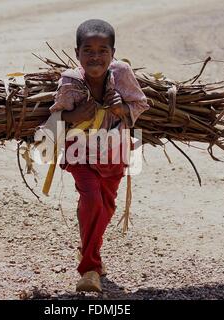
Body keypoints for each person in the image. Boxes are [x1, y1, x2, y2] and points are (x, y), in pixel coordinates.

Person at [47, 19, 149, 292]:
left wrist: (121, 110)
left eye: (103, 50)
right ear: (77, 52)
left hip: (114, 151)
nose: (95, 56)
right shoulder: (70, 81)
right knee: (91, 199)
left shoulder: (122, 73)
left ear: (113, 53)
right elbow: (53, 117)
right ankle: (89, 268)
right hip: (80, 152)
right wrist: (72, 115)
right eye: (88, 50)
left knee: (106, 206)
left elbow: (140, 103)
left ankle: (89, 250)